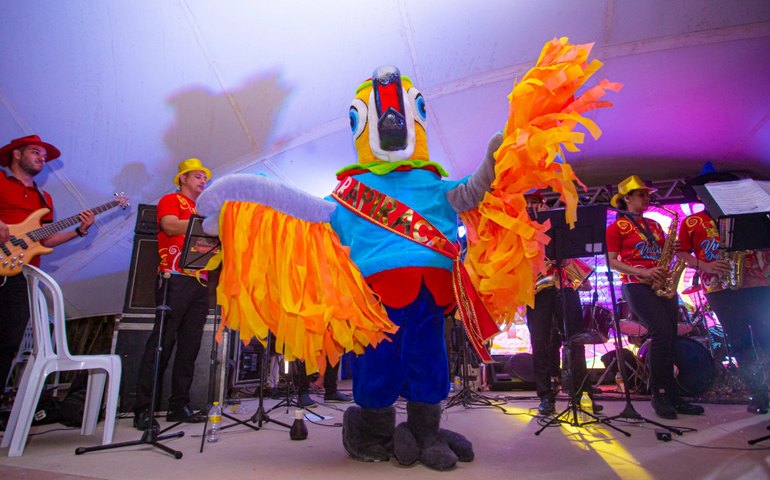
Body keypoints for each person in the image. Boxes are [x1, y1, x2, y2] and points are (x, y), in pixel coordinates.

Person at [0, 135, 95, 403]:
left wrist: (79, 230)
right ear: (16, 155)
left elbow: (45, 239)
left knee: (8, 342)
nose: (42, 158)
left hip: (21, 274)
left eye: (44, 155)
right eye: (35, 152)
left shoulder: (45, 198)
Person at [606, 174, 703, 419]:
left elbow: (666, 252)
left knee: (670, 336)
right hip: (636, 285)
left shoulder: (655, 225)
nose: (647, 198)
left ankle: (673, 395)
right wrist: (643, 272)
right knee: (661, 333)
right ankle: (658, 394)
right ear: (626, 199)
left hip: (661, 284)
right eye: (641, 195)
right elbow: (611, 261)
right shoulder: (615, 227)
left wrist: (665, 270)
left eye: (648, 194)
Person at [677, 169, 770, 414]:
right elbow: (682, 252)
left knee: (766, 335)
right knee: (739, 340)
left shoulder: (749, 214)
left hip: (756, 282)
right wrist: (705, 265)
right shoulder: (693, 221)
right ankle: (758, 393)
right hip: (719, 287)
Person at [133, 158, 212, 430]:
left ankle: (179, 405)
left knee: (189, 347)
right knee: (161, 344)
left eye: (205, 177)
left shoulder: (204, 207)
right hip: (173, 278)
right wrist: (206, 223)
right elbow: (169, 226)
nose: (203, 181)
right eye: (198, 176)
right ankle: (144, 409)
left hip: (200, 281)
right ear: (183, 179)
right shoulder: (171, 199)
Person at [524, 191, 598, 416]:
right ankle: (546, 396)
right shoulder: (517, 228)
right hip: (535, 291)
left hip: (564, 287)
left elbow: (570, 258)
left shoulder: (558, 225)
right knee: (540, 343)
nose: (531, 207)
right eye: (526, 203)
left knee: (575, 340)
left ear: (543, 205)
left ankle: (581, 393)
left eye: (535, 202)